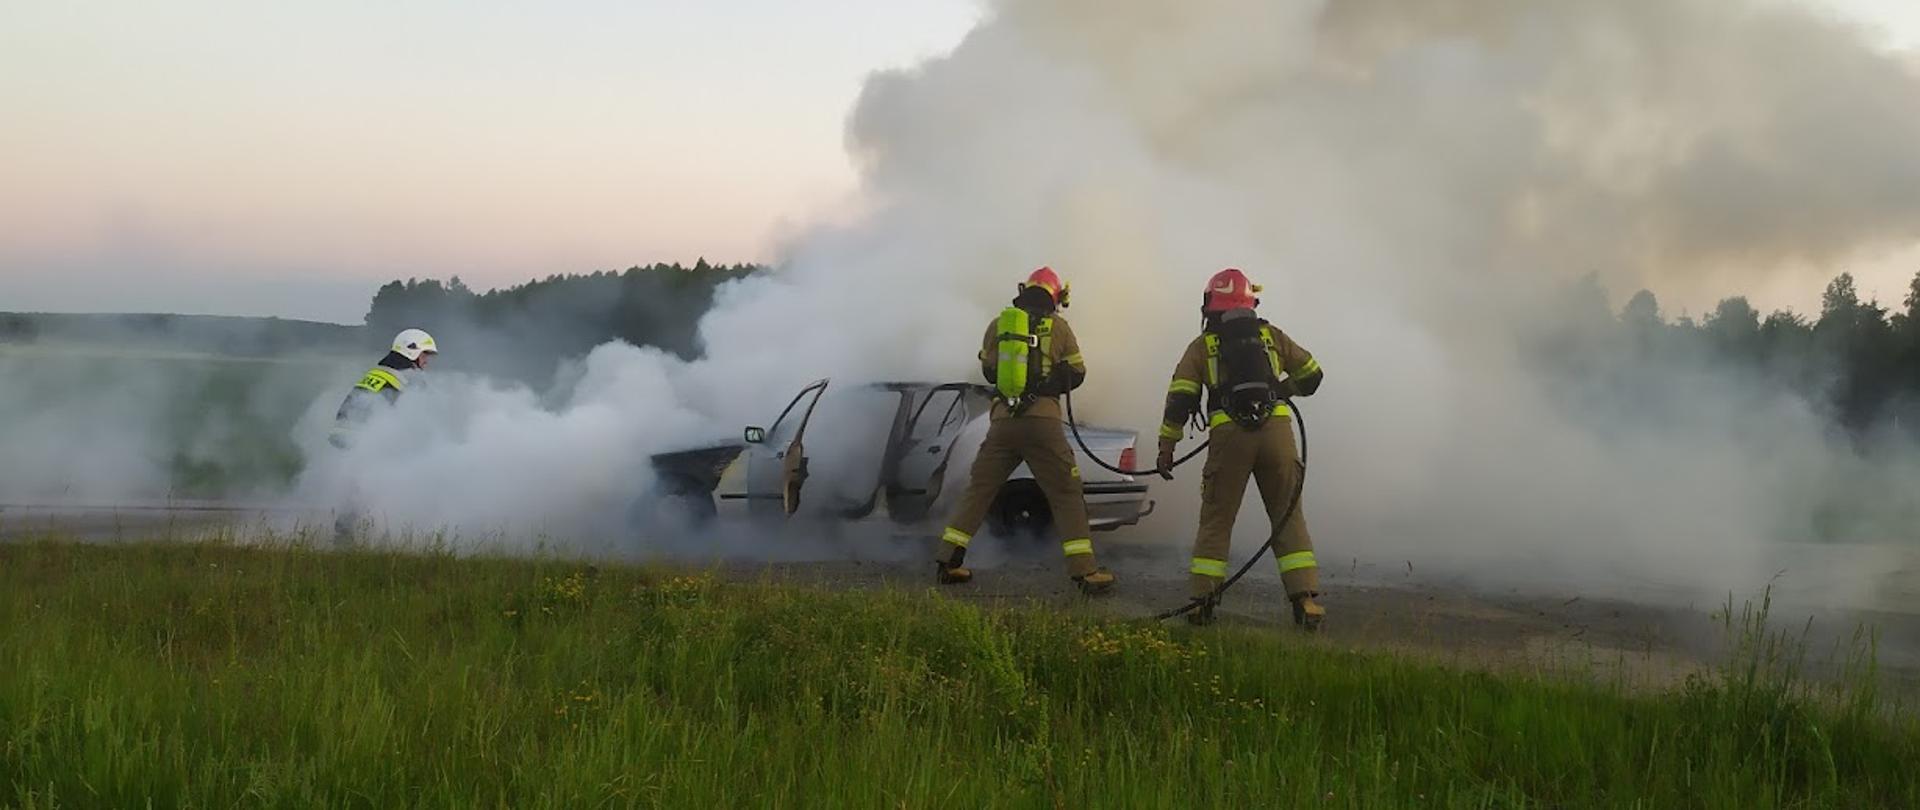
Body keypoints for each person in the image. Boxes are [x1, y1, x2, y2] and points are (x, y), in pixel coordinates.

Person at [1157, 269, 1325, 628]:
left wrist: (1166, 446)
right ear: (1250, 303)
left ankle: (1203, 601)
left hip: (1230, 437)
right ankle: (1305, 599)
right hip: (1278, 433)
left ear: (1210, 305)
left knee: (1217, 520)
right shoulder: (1271, 336)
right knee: (1288, 514)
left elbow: (1180, 401)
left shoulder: (1202, 346)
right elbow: (1313, 374)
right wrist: (1282, 391)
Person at [934, 267, 1117, 595]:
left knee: (979, 489)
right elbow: (1077, 374)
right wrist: (1050, 377)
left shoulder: (999, 326)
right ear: (1056, 296)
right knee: (1065, 492)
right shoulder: (1059, 328)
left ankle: (947, 561)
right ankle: (1084, 571)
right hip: (1043, 423)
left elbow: (989, 372)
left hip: (1003, 422)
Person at [328, 328, 437, 542]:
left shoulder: (378, 373)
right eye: (425, 355)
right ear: (411, 352)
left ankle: (346, 533)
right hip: (369, 438)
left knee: (364, 485)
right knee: (391, 484)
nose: (426, 362)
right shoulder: (410, 378)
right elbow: (417, 416)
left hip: (348, 435)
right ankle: (388, 538)